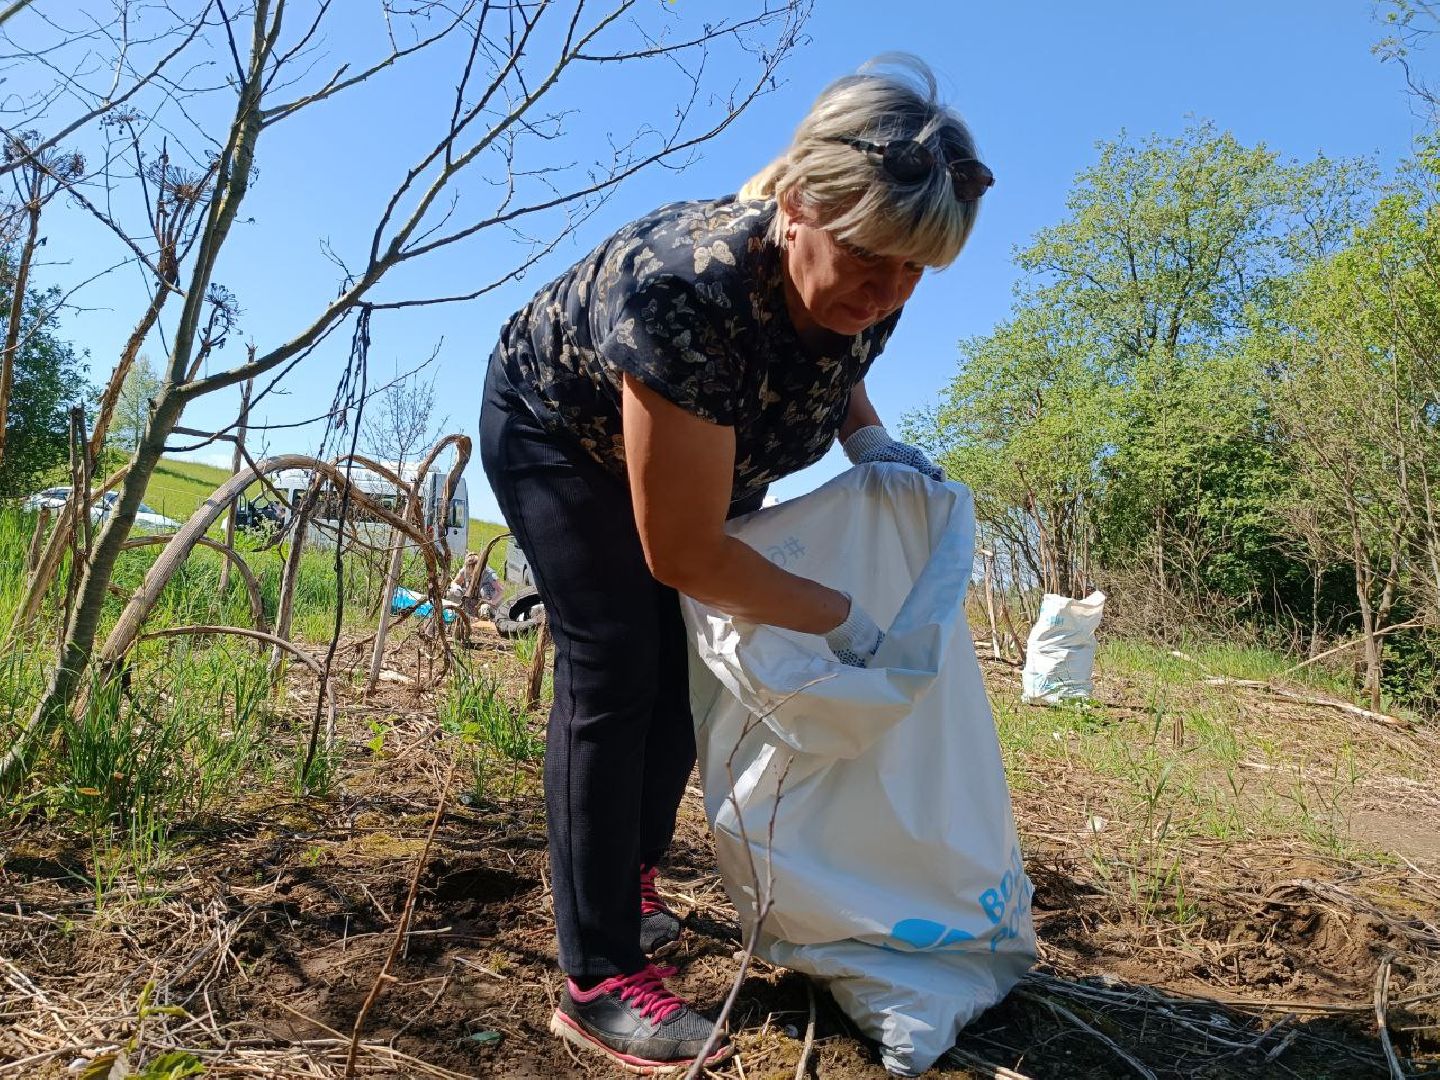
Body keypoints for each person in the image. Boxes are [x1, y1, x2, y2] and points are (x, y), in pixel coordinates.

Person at [478, 54, 991, 1072]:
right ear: (799, 204)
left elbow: (830, 358)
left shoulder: (872, 277)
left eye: (912, 274)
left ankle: (625, 876)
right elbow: (685, 549)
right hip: (561, 437)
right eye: (870, 261)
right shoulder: (688, 292)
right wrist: (836, 613)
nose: (887, 294)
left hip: (710, 442)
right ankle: (596, 979)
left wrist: (868, 439)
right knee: (618, 666)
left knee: (688, 672)